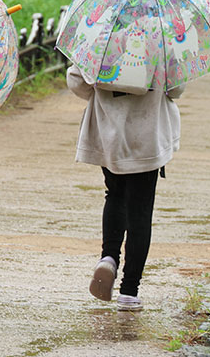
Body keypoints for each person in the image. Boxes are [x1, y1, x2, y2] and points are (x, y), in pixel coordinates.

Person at [67, 67, 183, 312]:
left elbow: (77, 81)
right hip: (148, 135)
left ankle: (109, 256)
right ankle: (129, 291)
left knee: (115, 193)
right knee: (140, 211)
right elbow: (176, 88)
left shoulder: (100, 36)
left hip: (109, 134)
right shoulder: (160, 39)